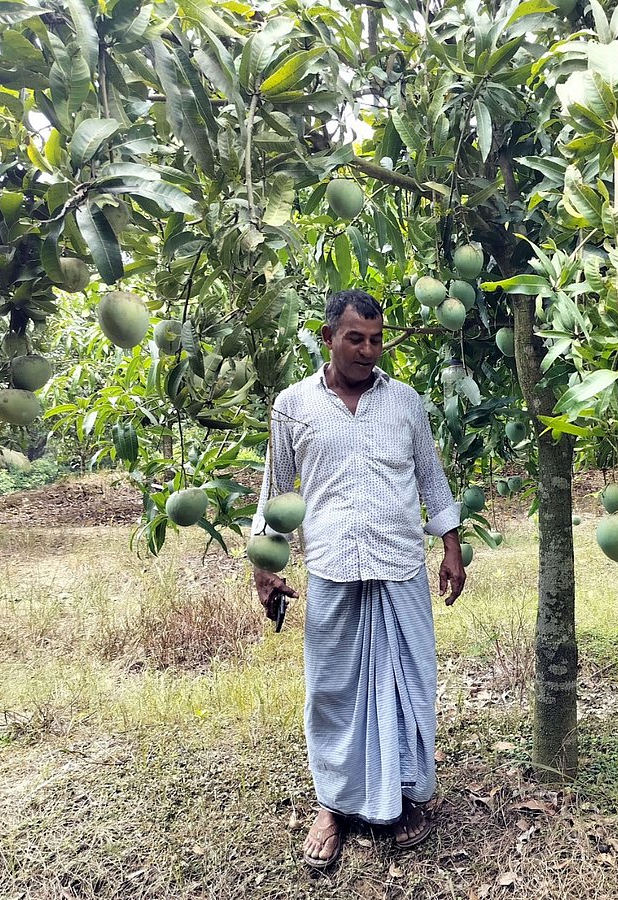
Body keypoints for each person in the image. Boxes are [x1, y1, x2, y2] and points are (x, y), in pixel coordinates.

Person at [250, 289, 466, 869]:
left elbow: (431, 479)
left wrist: (451, 546)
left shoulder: (406, 403)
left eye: (375, 339)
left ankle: (408, 795)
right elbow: (276, 492)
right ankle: (334, 806)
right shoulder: (293, 406)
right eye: (355, 339)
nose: (369, 351)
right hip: (331, 570)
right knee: (332, 691)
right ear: (329, 338)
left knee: (410, 685)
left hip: (399, 566)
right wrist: (265, 567)